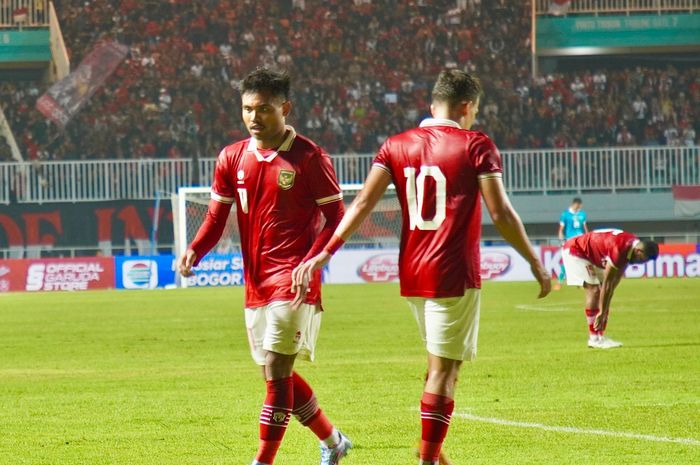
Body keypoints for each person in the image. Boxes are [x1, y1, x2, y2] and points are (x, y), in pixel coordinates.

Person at [291, 69, 551, 465]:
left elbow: (361, 203)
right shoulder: (476, 144)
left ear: (433, 106)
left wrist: (327, 251)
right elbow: (499, 211)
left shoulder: (395, 145)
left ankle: (433, 449)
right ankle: (427, 458)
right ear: (467, 107)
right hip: (453, 272)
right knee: (446, 372)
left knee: (438, 364)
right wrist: (535, 261)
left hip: (412, 272)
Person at [177, 68, 352, 465]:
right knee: (276, 376)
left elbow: (337, 217)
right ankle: (333, 440)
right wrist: (196, 250)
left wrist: (316, 260)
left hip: (295, 278)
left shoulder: (310, 158)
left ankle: (263, 461)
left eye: (264, 109)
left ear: (285, 108)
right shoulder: (231, 157)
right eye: (247, 109)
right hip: (255, 281)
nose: (254, 118)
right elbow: (216, 218)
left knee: (276, 368)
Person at [562, 229, 658, 349]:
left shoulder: (630, 249)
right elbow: (607, 283)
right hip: (576, 250)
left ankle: (600, 337)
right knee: (595, 290)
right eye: (642, 260)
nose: (640, 263)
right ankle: (594, 339)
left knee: (603, 293)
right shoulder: (620, 249)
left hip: (592, 255)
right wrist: (601, 311)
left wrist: (605, 304)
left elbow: (613, 283)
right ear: (639, 251)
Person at [554, 197, 588, 289]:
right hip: (570, 241)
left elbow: (585, 228)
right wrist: (561, 241)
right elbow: (561, 230)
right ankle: (560, 282)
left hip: (581, 240)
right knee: (566, 261)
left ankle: (579, 282)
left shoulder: (582, 214)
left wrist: (587, 239)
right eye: (580, 205)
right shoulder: (565, 214)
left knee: (582, 262)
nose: (580, 207)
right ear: (576, 204)